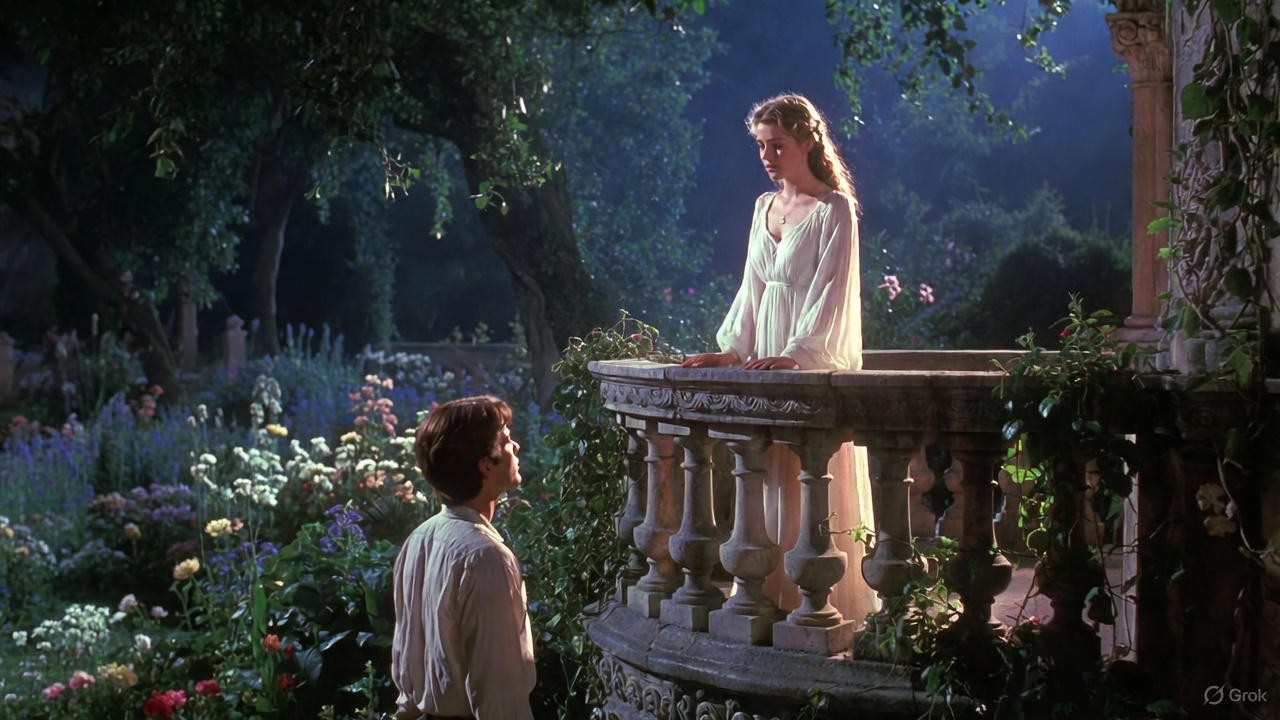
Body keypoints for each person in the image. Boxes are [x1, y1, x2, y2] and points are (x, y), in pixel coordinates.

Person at [681, 93, 877, 624]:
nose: (767, 156)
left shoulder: (835, 209)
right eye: (762, 146)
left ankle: (813, 604)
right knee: (769, 478)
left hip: (801, 355)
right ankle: (767, 597)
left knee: (806, 475)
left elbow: (833, 290)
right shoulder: (762, 207)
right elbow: (752, 288)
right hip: (765, 349)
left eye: (778, 145)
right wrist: (732, 349)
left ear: (808, 140)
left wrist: (797, 355)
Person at [391, 395, 535, 720]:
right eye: (507, 440)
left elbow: (408, 666)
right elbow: (499, 696)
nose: (516, 447)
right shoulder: (486, 559)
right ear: (486, 463)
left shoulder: (419, 539)